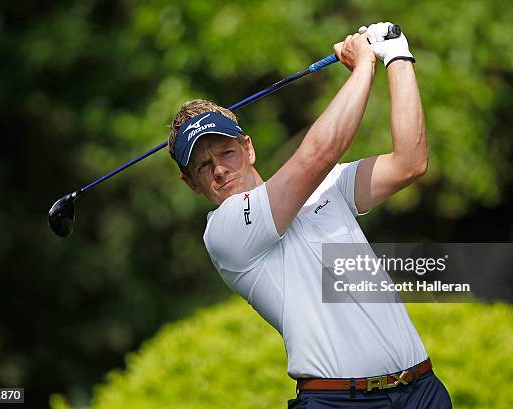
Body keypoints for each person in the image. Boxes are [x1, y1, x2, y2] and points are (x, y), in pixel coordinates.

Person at [167, 22, 452, 409]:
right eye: (203, 165)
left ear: (247, 148)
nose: (218, 169)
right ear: (191, 183)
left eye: (225, 153)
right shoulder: (224, 232)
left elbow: (409, 163)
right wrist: (364, 64)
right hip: (336, 402)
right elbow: (317, 154)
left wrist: (397, 56)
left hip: (423, 390)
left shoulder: (326, 185)